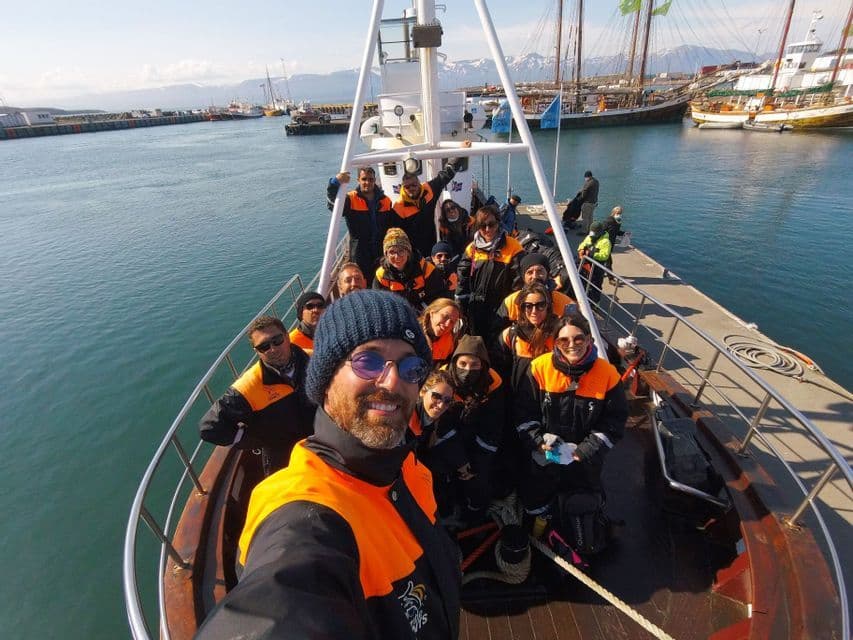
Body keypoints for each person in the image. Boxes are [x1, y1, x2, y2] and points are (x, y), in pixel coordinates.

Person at [195, 290, 461, 640]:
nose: (392, 381)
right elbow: (282, 604)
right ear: (325, 381)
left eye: (411, 367)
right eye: (368, 361)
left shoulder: (410, 469)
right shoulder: (303, 515)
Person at [514, 314, 627, 528]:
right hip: (545, 454)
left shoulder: (608, 375)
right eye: (563, 340)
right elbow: (524, 414)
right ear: (555, 343)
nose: (571, 345)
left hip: (585, 460)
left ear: (589, 340)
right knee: (537, 500)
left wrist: (584, 451)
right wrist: (539, 442)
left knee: (580, 502)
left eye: (578, 339)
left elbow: (613, 422)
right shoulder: (539, 368)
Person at [198, 316, 313, 476]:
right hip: (284, 462)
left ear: (287, 337)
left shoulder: (314, 360)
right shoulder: (248, 387)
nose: (273, 349)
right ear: (257, 351)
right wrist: (255, 440)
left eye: (277, 340)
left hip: (321, 446)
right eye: (264, 346)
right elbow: (209, 428)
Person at [441, 335, 505, 523]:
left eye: (475, 365)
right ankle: (446, 513)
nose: (467, 370)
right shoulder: (443, 380)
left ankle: (474, 514)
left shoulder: (493, 383)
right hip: (446, 442)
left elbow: (494, 426)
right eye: (462, 363)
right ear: (454, 362)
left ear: (483, 366)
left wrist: (476, 463)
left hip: (478, 439)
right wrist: (460, 461)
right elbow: (440, 427)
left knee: (479, 481)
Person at [391, 140, 471, 259]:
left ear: (419, 183)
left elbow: (446, 175)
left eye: (414, 185)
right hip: (411, 253)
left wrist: (460, 152)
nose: (411, 188)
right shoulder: (398, 207)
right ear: (403, 187)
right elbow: (396, 234)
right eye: (407, 186)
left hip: (431, 246)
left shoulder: (429, 190)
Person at [455, 205, 525, 340]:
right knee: (476, 341)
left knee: (498, 343)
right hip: (476, 306)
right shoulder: (472, 248)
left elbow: (518, 283)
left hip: (501, 307)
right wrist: (460, 304)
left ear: (498, 223)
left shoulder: (513, 247)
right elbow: (462, 279)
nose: (487, 229)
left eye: (491, 224)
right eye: (482, 225)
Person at [327, 166, 393, 280]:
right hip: (360, 253)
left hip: (380, 251)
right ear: (358, 180)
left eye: (371, 179)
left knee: (382, 279)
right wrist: (334, 182)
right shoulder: (351, 199)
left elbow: (390, 225)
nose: (367, 182)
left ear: (375, 180)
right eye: (364, 179)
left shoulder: (385, 201)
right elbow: (333, 204)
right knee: (363, 282)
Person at [497, 282, 559, 393]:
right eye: (528, 306)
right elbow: (500, 370)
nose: (534, 311)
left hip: (550, 401)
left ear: (548, 306)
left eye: (540, 305)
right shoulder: (511, 335)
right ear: (522, 308)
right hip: (519, 403)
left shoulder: (560, 335)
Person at [497, 253, 576, 330]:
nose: (535, 276)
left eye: (540, 271)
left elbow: (578, 326)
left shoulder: (565, 302)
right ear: (523, 276)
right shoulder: (511, 301)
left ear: (547, 273)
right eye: (530, 272)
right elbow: (497, 333)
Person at [373, 228, 447, 310]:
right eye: (392, 252)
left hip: (423, 314)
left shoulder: (426, 269)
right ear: (386, 254)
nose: (397, 256)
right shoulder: (381, 276)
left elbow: (438, 298)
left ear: (408, 252)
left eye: (401, 251)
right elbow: (378, 303)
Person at [419, 297, 463, 366]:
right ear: (432, 313)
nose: (447, 324)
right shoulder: (411, 332)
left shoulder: (451, 340)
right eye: (445, 316)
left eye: (452, 322)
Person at [577, 222, 612, 303]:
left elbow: (605, 255)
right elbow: (583, 244)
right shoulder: (590, 236)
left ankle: (595, 303)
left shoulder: (606, 242)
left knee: (596, 285)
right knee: (583, 281)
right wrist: (581, 249)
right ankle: (585, 299)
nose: (592, 235)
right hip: (586, 264)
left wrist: (591, 254)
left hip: (597, 267)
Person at [288, 290, 325, 355]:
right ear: (301, 312)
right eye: (309, 306)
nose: (316, 310)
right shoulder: (292, 342)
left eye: (320, 305)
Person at [601, 205, 625, 279]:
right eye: (618, 213)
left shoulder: (618, 222)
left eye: (620, 213)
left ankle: (599, 273)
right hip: (605, 243)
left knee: (602, 260)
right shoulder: (608, 221)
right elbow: (602, 230)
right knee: (608, 262)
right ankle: (610, 278)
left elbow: (616, 232)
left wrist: (623, 233)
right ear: (614, 213)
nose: (619, 215)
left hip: (611, 243)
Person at [575, 170, 599, 236]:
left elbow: (584, 193)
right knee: (590, 218)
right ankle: (590, 230)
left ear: (587, 177)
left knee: (585, 218)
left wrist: (580, 198)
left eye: (585, 178)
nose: (585, 179)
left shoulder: (588, 183)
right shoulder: (596, 182)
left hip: (587, 203)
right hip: (594, 202)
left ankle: (584, 231)